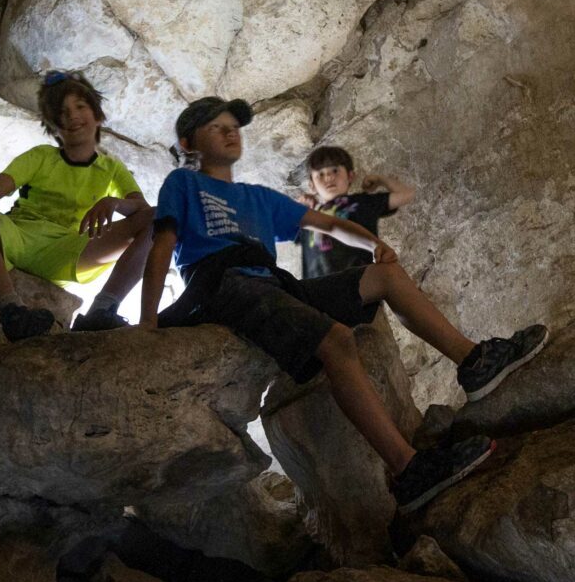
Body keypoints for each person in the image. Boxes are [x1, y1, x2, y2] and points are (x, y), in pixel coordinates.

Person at [141, 97, 547, 512]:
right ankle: (409, 471)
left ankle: (475, 362)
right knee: (336, 341)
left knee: (386, 277)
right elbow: (163, 244)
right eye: (215, 127)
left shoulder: (256, 196)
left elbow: (329, 223)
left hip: (273, 284)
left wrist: (374, 244)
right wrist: (148, 322)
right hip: (224, 283)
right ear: (189, 143)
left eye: (233, 126)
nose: (230, 132)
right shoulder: (183, 184)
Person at [0, 70, 155, 338]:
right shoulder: (42, 156)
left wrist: (115, 203)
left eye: (80, 106)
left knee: (161, 219)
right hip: (18, 235)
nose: (73, 116)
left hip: (69, 249)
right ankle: (12, 312)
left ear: (98, 115)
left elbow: (144, 211)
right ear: (54, 125)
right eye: (63, 112)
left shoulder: (111, 168)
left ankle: (101, 311)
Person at [298, 144, 415, 280]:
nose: (329, 177)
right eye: (321, 174)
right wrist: (300, 207)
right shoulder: (310, 215)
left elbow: (406, 194)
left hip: (360, 285)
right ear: (311, 186)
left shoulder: (361, 202)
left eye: (335, 171)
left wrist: (380, 180)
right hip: (317, 292)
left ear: (350, 176)